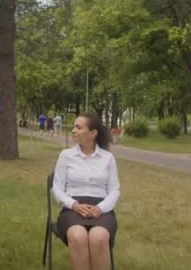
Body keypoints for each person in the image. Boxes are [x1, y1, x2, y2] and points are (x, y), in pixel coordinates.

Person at [51, 112, 120, 270]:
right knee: (77, 236)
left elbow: (114, 190)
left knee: (99, 237)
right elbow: (58, 189)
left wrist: (100, 208)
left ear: (93, 133)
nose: (73, 130)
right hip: (71, 209)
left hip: (101, 209)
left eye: (78, 127)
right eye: (74, 126)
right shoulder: (66, 156)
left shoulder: (108, 158)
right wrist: (74, 205)